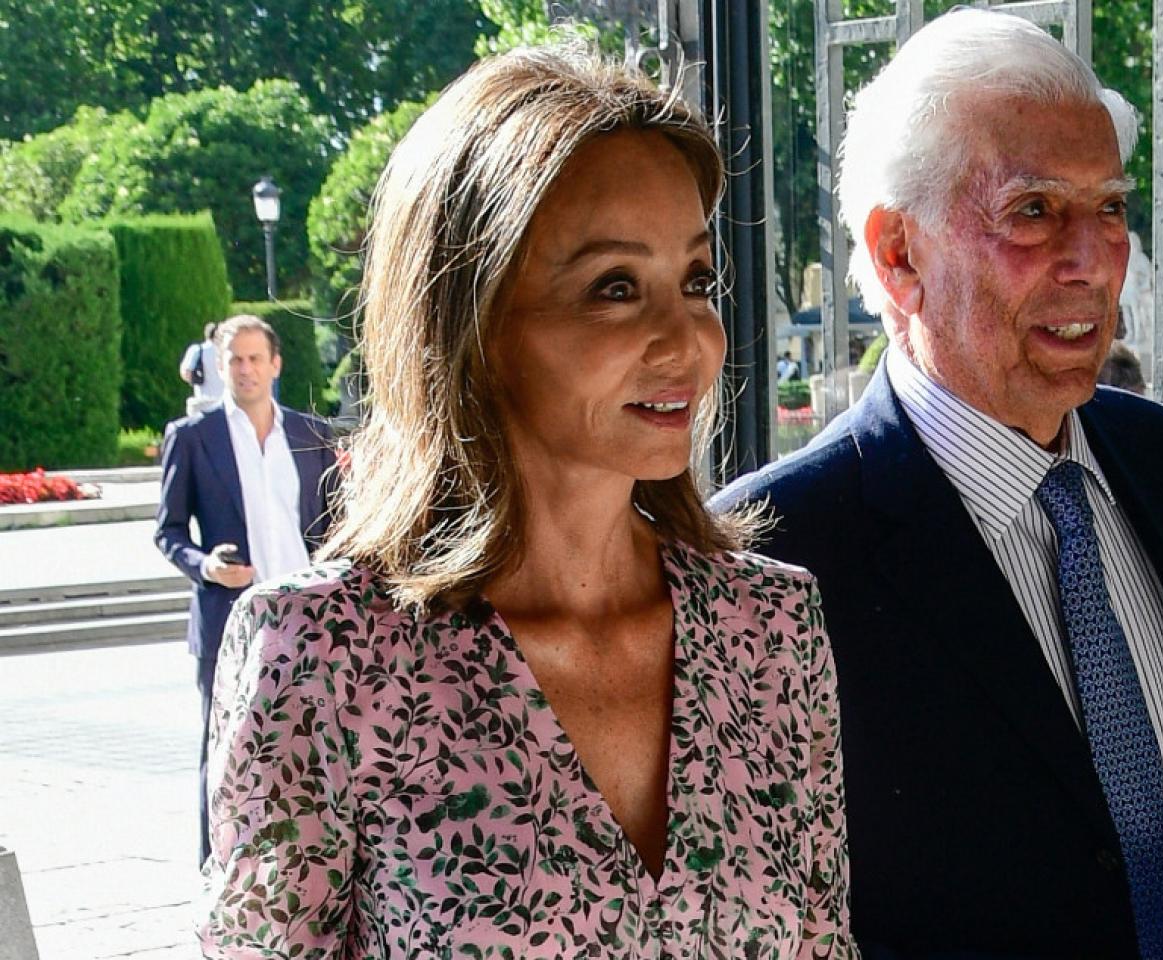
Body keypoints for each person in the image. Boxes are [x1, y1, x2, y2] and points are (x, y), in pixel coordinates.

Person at [713, 10, 1163, 959]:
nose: (1093, 262)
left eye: (1109, 207)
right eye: (1032, 211)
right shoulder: (768, 556)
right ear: (899, 253)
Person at [196, 45, 853, 958]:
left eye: (696, 281)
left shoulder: (772, 630)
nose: (688, 340)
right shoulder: (322, 655)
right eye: (615, 288)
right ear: (471, 321)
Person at [154, 314, 341, 865]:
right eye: (234, 359)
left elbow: (338, 524)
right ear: (219, 366)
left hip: (309, 621)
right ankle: (215, 868)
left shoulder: (310, 434)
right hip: (230, 621)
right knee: (223, 749)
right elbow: (168, 531)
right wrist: (206, 566)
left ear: (275, 364)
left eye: (256, 358)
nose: (246, 369)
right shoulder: (193, 438)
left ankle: (310, 861)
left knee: (317, 748)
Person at [178, 322, 226, 416]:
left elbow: (186, 373)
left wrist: (196, 379)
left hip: (203, 401)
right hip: (223, 401)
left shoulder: (197, 349)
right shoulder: (226, 350)